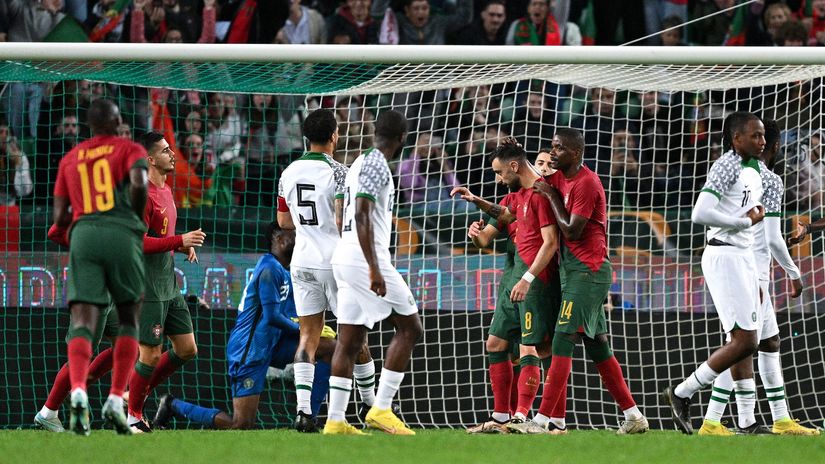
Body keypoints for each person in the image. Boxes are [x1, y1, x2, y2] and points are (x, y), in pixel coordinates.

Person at [520, 127, 648, 435]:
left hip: (589, 271)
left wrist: (551, 196)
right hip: (573, 272)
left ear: (576, 153)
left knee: (562, 338)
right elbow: (531, 178)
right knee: (598, 345)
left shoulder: (587, 183)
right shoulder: (559, 178)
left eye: (559, 148)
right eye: (552, 147)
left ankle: (543, 420)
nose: (553, 153)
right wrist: (518, 155)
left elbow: (571, 230)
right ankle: (633, 416)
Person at [698, 118, 818, 436]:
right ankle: (714, 419)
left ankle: (777, 418)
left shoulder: (737, 172)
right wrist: (794, 273)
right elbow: (774, 238)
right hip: (751, 271)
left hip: (737, 264)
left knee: (767, 342)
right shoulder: (771, 181)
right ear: (775, 146)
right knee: (742, 345)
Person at [153, 222, 335, 429]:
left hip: (274, 342)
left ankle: (308, 419)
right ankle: (172, 405)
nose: (299, 236)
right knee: (241, 424)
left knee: (330, 348)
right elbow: (272, 316)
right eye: (293, 233)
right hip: (249, 350)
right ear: (280, 239)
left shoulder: (287, 271)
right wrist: (304, 331)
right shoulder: (269, 268)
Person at [663, 112, 767, 435]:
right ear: (737, 138)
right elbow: (700, 213)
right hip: (724, 255)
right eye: (755, 135)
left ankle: (747, 421)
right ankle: (682, 392)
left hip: (743, 255)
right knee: (745, 340)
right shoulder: (726, 166)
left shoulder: (753, 169)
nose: (762, 141)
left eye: (763, 135)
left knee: (746, 340)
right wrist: (743, 222)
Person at [50, 98, 149, 435]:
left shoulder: (70, 158)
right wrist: (134, 217)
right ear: (118, 122)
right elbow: (139, 183)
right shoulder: (129, 149)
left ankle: (78, 390)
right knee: (129, 318)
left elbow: (58, 216)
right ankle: (115, 399)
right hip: (121, 232)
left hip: (84, 235)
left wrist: (82, 219)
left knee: (83, 321)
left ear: (89, 126)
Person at [277, 108, 378, 433]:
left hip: (302, 261)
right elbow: (341, 219)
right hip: (336, 262)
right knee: (354, 336)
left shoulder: (288, 172)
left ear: (306, 137)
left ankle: (303, 412)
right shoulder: (340, 172)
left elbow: (283, 222)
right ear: (335, 135)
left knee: (308, 336)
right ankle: (370, 406)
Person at [325, 110, 422, 435]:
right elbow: (362, 214)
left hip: (345, 255)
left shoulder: (357, 163)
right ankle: (381, 408)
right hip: (364, 259)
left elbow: (342, 215)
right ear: (403, 138)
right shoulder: (376, 163)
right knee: (410, 328)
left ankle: (335, 420)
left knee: (350, 341)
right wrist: (374, 268)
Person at [461, 147, 560, 434]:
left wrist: (528, 278)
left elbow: (551, 242)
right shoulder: (514, 199)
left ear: (514, 166)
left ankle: (522, 417)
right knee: (495, 343)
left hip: (535, 282)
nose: (498, 178)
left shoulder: (543, 195)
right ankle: (501, 416)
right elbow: (487, 236)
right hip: (511, 281)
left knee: (531, 347)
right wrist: (476, 231)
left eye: (499, 172)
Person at [125, 132, 206, 433]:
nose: (172, 154)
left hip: (168, 284)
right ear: (150, 159)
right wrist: (179, 240)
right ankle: (133, 416)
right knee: (150, 354)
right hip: (147, 287)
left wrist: (180, 247)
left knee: (187, 349)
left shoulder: (167, 189)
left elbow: (160, 237)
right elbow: (138, 242)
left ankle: (137, 391)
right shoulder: (141, 193)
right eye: (165, 150)